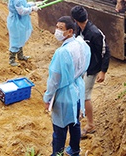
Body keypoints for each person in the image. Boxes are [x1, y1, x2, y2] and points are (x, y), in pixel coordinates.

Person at [43, 16, 91, 156]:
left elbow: (54, 79)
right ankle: (74, 150)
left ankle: (57, 154)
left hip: (65, 95)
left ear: (70, 31)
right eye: (57, 27)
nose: (57, 31)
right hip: (78, 89)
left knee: (60, 129)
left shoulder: (62, 53)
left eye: (61, 29)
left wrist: (47, 98)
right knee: (75, 122)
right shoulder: (82, 44)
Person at [71, 6, 110, 137]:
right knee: (78, 91)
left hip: (92, 69)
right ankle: (81, 113)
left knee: (86, 95)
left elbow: (105, 52)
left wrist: (103, 71)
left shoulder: (94, 33)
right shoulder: (80, 30)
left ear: (75, 20)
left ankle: (90, 125)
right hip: (82, 66)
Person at [7, 0, 40, 66]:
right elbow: (21, 11)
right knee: (16, 39)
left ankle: (20, 56)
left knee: (21, 37)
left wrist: (33, 3)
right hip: (16, 20)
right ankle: (12, 60)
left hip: (20, 20)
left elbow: (24, 4)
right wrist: (32, 9)